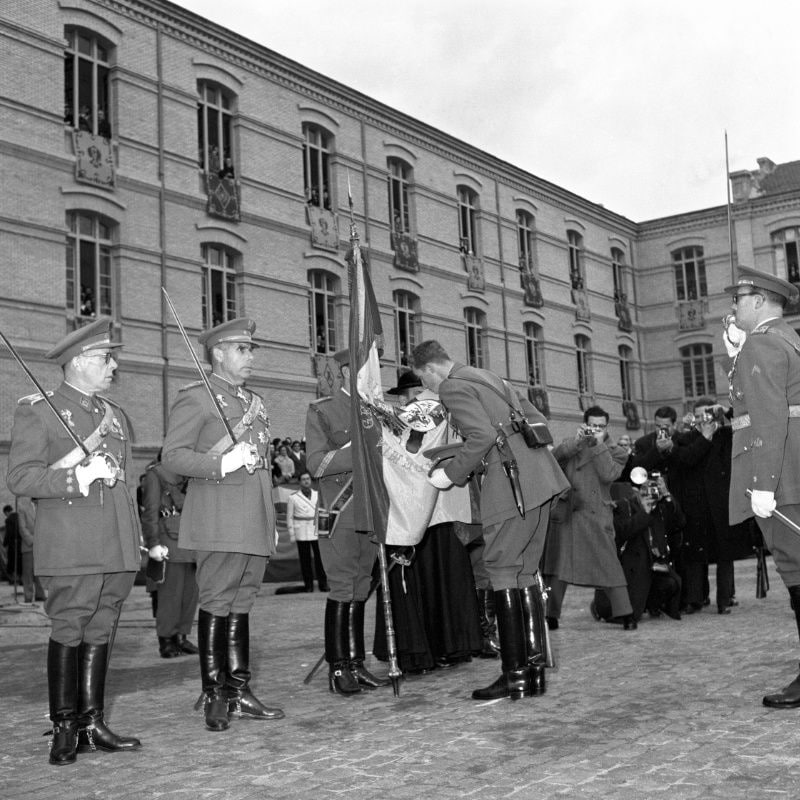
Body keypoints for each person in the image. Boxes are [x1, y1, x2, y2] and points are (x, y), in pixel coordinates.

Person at [6, 317, 142, 765]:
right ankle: (64, 725)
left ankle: (91, 722)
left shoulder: (115, 416)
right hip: (72, 543)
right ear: (79, 361)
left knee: (102, 628)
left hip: (116, 542)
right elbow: (20, 477)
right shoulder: (39, 409)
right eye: (106, 358)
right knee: (69, 627)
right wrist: (77, 475)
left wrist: (135, 540)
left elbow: (125, 483)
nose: (114, 366)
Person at [409, 340, 569, 701]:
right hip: (541, 480)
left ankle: (513, 674)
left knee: (499, 571)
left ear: (431, 369)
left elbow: (481, 436)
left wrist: (451, 472)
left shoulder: (452, 385)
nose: (428, 388)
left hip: (509, 487)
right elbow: (538, 421)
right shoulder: (489, 376)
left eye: (424, 380)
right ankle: (533, 673)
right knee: (525, 572)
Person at [161, 318, 284, 731]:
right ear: (217, 353)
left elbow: (263, 465)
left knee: (243, 602)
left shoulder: (256, 402)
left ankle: (239, 690)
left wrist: (269, 516)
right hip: (218, 517)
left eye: (251, 350)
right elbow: (172, 457)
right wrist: (221, 463)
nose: (250, 357)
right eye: (242, 349)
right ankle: (214, 692)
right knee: (216, 600)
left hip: (254, 516)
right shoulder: (196, 399)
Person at [371, 369, 484, 674]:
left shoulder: (427, 407)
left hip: (423, 507)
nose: (405, 400)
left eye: (406, 394)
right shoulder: (446, 405)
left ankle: (422, 650)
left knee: (426, 582)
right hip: (437, 508)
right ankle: (449, 645)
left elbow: (404, 437)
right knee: (443, 581)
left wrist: (370, 409)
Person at [724, 267, 800, 708]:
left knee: (797, 575)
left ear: (757, 302)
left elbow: (767, 419)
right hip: (791, 471)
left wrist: (763, 485)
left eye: (738, 299)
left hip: (781, 478)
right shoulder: (785, 338)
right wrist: (734, 356)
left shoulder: (763, 342)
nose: (733, 307)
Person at [304, 348, 390, 695]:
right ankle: (338, 669)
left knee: (360, 588)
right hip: (340, 512)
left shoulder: (377, 413)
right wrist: (359, 449)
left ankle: (356, 663)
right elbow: (316, 464)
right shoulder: (322, 410)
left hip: (370, 511)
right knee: (342, 588)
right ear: (345, 372)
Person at [542, 406, 636, 629]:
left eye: (600, 426)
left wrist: (598, 444)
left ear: (606, 427)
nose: (596, 429)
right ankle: (550, 614)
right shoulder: (572, 443)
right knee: (558, 567)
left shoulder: (617, 451)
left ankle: (626, 614)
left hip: (596, 515)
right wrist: (578, 442)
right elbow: (554, 460)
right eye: (592, 425)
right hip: (569, 514)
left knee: (609, 566)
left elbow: (609, 474)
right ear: (584, 424)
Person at [592, 477, 684, 623]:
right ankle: (603, 606)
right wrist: (645, 512)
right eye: (644, 490)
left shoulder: (659, 507)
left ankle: (650, 605)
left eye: (653, 490)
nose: (649, 494)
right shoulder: (623, 507)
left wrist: (667, 496)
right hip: (631, 571)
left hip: (653, 569)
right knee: (628, 606)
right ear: (635, 491)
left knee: (671, 584)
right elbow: (623, 532)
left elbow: (679, 522)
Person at [140, 452, 199, 658]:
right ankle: (166, 640)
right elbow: (150, 511)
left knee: (189, 595)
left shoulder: (190, 474)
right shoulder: (155, 475)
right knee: (170, 596)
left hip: (192, 540)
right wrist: (153, 543)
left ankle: (181, 637)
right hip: (169, 542)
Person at [286, 470, 328, 592]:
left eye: (308, 479)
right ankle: (308, 585)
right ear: (299, 482)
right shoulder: (293, 497)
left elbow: (322, 512)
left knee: (320, 560)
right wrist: (292, 533)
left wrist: (324, 530)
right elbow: (289, 516)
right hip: (301, 530)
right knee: (305, 560)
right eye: (303, 479)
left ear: (311, 480)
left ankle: (323, 584)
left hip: (315, 529)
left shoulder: (317, 494)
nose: (306, 481)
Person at [16, 497, 47, 604]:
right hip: (28, 546)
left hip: (42, 546)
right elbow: (22, 528)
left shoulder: (44, 507)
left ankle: (40, 594)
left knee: (40, 571)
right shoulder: (22, 508)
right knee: (28, 573)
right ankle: (28, 596)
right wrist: (33, 540)